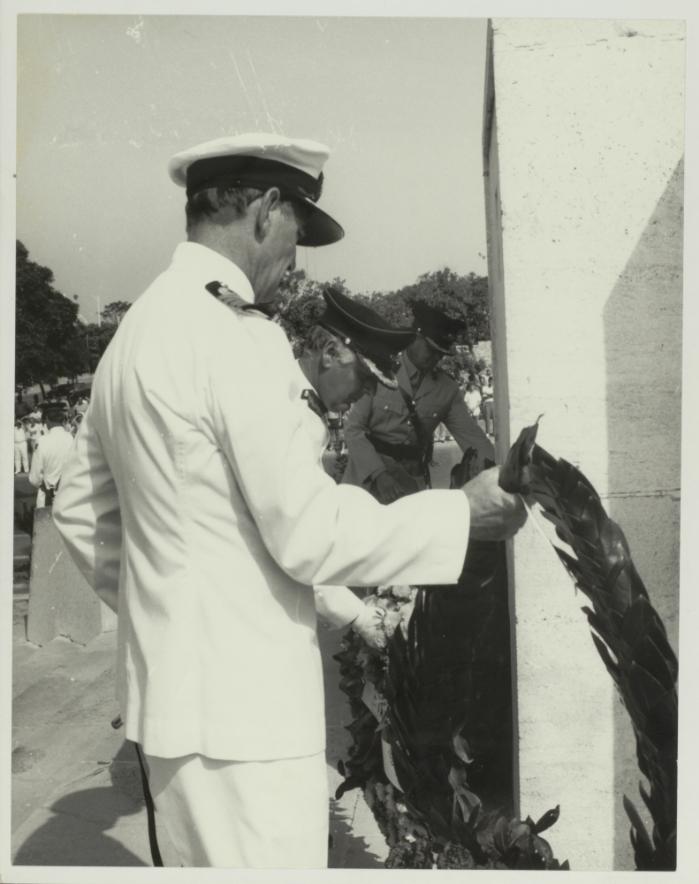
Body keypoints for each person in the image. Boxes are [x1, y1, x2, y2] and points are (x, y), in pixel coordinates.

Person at [53, 132, 525, 870]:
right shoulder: (235, 335)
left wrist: (171, 613)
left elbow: (80, 511)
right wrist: (463, 511)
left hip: (174, 714)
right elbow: (307, 530)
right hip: (252, 722)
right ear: (268, 207)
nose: (295, 259)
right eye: (299, 233)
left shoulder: (136, 330)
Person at [342, 301, 494, 503]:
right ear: (414, 338)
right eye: (431, 350)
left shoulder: (446, 390)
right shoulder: (380, 371)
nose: (436, 358)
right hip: (365, 481)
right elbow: (353, 429)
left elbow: (473, 438)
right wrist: (379, 474)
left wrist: (501, 471)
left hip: (409, 484)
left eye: (441, 354)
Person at [28, 406, 75, 507]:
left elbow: (34, 479)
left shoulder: (42, 441)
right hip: (69, 495)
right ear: (62, 420)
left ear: (47, 420)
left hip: (47, 496)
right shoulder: (71, 439)